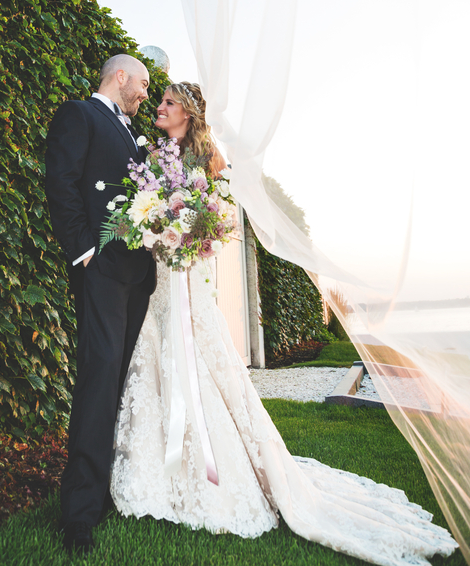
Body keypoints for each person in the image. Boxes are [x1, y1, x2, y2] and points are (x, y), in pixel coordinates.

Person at [110, 82, 457, 566]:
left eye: (168, 102)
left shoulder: (211, 159)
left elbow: (224, 221)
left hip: (190, 278)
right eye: (161, 100)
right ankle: (158, 470)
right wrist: (155, 225)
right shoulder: (151, 156)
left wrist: (193, 231)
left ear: (187, 112)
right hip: (161, 279)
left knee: (203, 365)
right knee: (157, 359)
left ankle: (210, 470)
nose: (160, 108)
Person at [45, 53, 156, 555]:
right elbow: (61, 182)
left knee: (121, 381)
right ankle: (80, 511)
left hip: (138, 277)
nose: (146, 94)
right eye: (143, 84)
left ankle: (111, 488)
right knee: (99, 377)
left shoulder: (134, 133)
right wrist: (84, 251)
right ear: (120, 76)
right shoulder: (80, 114)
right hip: (102, 272)